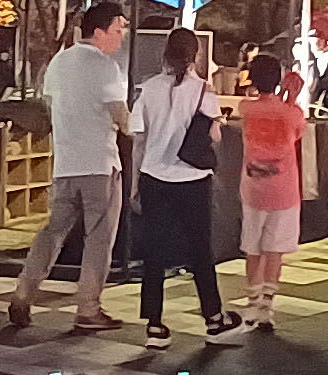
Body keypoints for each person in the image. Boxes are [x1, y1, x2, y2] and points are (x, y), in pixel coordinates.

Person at [7, 0, 132, 336]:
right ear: (99, 32)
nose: (122, 36)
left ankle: (23, 292)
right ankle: (88, 309)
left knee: (52, 232)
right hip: (99, 165)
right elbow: (121, 118)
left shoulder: (59, 63)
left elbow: (50, 107)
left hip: (65, 164)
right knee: (99, 238)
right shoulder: (106, 67)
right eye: (118, 29)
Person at [129, 28, 233, 339]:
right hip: (193, 179)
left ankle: (154, 324)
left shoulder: (148, 89)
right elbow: (214, 136)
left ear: (165, 53)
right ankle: (213, 317)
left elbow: (139, 141)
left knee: (154, 251)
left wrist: (135, 183)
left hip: (153, 178)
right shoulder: (204, 91)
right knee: (200, 249)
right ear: (195, 56)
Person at [236, 47, 307, 327]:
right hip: (283, 190)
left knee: (253, 247)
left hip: (253, 188)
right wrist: (290, 98)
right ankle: (267, 305)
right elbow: (297, 132)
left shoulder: (246, 109)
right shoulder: (292, 113)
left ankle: (252, 303)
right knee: (274, 248)